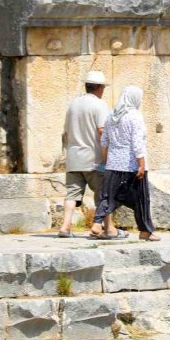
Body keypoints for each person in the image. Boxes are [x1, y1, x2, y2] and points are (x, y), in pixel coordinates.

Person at [59, 70, 123, 239]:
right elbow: (102, 131)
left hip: (73, 157)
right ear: (100, 88)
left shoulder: (73, 104)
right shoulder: (99, 105)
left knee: (72, 194)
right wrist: (107, 158)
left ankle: (65, 227)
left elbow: (65, 132)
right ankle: (109, 229)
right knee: (104, 193)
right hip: (94, 159)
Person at [91, 85, 159, 242]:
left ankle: (96, 223)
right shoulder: (135, 116)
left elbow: (104, 141)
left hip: (113, 164)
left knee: (108, 196)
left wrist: (107, 162)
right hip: (131, 165)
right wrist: (141, 164)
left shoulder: (111, 116)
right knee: (141, 199)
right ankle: (145, 232)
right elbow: (137, 143)